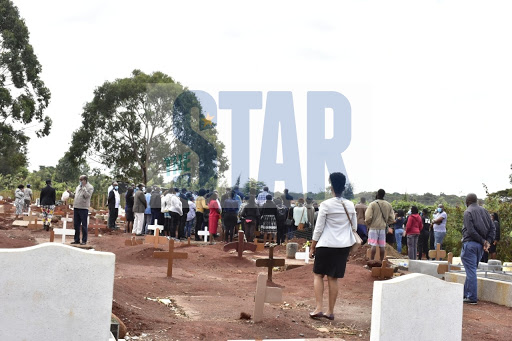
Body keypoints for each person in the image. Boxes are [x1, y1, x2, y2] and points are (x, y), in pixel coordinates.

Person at [309, 172, 356, 321]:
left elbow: (319, 228)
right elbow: (353, 226)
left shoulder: (326, 205)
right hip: (342, 247)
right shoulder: (350, 205)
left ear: (331, 187)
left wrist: (312, 246)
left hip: (325, 245)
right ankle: (330, 311)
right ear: (344, 187)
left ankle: (318, 308)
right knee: (333, 278)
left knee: (318, 274)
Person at [461, 193, 496, 305]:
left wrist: (483, 241)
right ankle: (466, 293)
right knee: (471, 270)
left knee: (471, 271)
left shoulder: (468, 212)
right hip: (480, 247)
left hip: (470, 244)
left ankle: (471, 297)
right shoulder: (485, 212)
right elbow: (492, 228)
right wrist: (487, 242)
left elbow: (470, 231)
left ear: (467, 202)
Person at [365, 189, 395, 261]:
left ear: (377, 194)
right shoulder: (388, 205)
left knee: (373, 245)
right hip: (383, 228)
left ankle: (372, 260)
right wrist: (386, 223)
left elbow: (368, 217)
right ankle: (381, 261)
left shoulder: (372, 204)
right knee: (382, 246)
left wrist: (368, 224)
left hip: (373, 227)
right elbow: (392, 219)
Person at [67, 175, 94, 245]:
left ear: (85, 180)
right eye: (80, 180)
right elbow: (75, 196)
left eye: (81, 180)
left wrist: (84, 188)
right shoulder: (78, 187)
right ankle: (76, 240)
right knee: (76, 224)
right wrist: (70, 193)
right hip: (76, 207)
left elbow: (87, 196)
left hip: (83, 208)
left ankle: (84, 240)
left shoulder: (90, 187)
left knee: (84, 225)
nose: (80, 181)